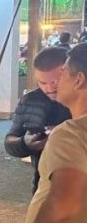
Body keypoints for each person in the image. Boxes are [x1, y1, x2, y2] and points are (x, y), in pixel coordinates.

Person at [26, 43, 87, 222]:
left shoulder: (70, 134)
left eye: (64, 73)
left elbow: (62, 205)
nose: (57, 82)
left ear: (79, 80)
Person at [4, 46, 71, 193]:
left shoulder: (80, 100)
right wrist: (25, 143)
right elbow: (9, 141)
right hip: (43, 184)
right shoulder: (31, 100)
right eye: (42, 83)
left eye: (55, 82)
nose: (49, 89)